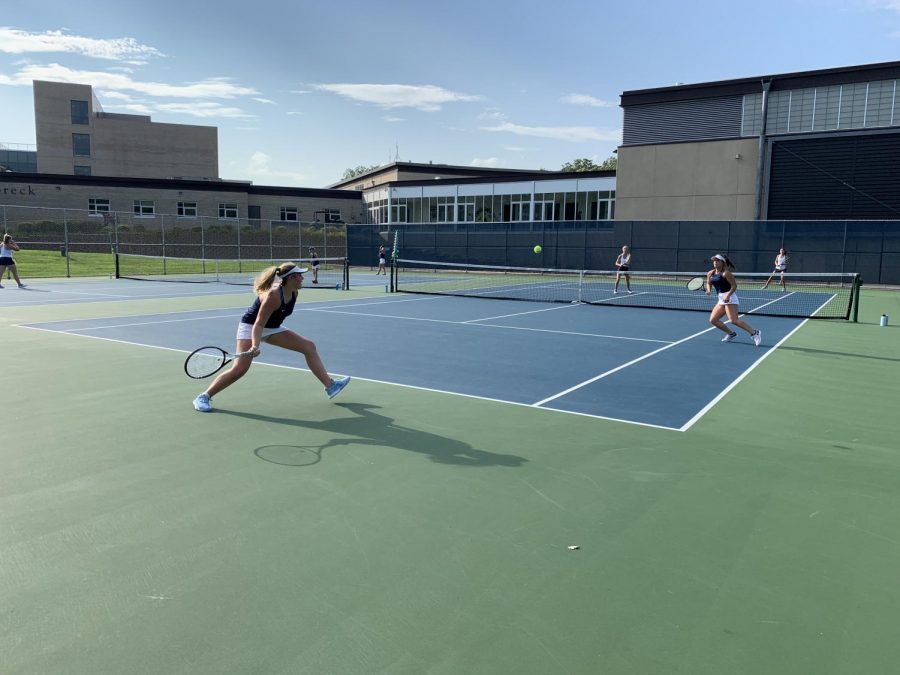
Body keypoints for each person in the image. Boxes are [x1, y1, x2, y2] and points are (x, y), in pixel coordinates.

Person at [192, 262, 350, 412]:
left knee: (309, 347)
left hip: (272, 328)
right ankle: (203, 397)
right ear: (291, 278)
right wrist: (255, 345)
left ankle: (330, 386)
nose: (303, 278)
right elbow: (258, 324)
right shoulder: (273, 295)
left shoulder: (294, 292)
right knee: (239, 370)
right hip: (251, 327)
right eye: (300, 275)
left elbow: (271, 322)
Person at [706, 254, 762, 346]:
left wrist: (728, 295)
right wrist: (708, 290)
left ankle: (755, 333)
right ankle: (731, 334)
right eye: (714, 261)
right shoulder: (710, 273)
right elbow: (709, 283)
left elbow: (734, 286)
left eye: (717, 261)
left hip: (730, 298)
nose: (715, 262)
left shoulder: (726, 273)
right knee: (713, 320)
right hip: (721, 298)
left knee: (734, 320)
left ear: (722, 262)